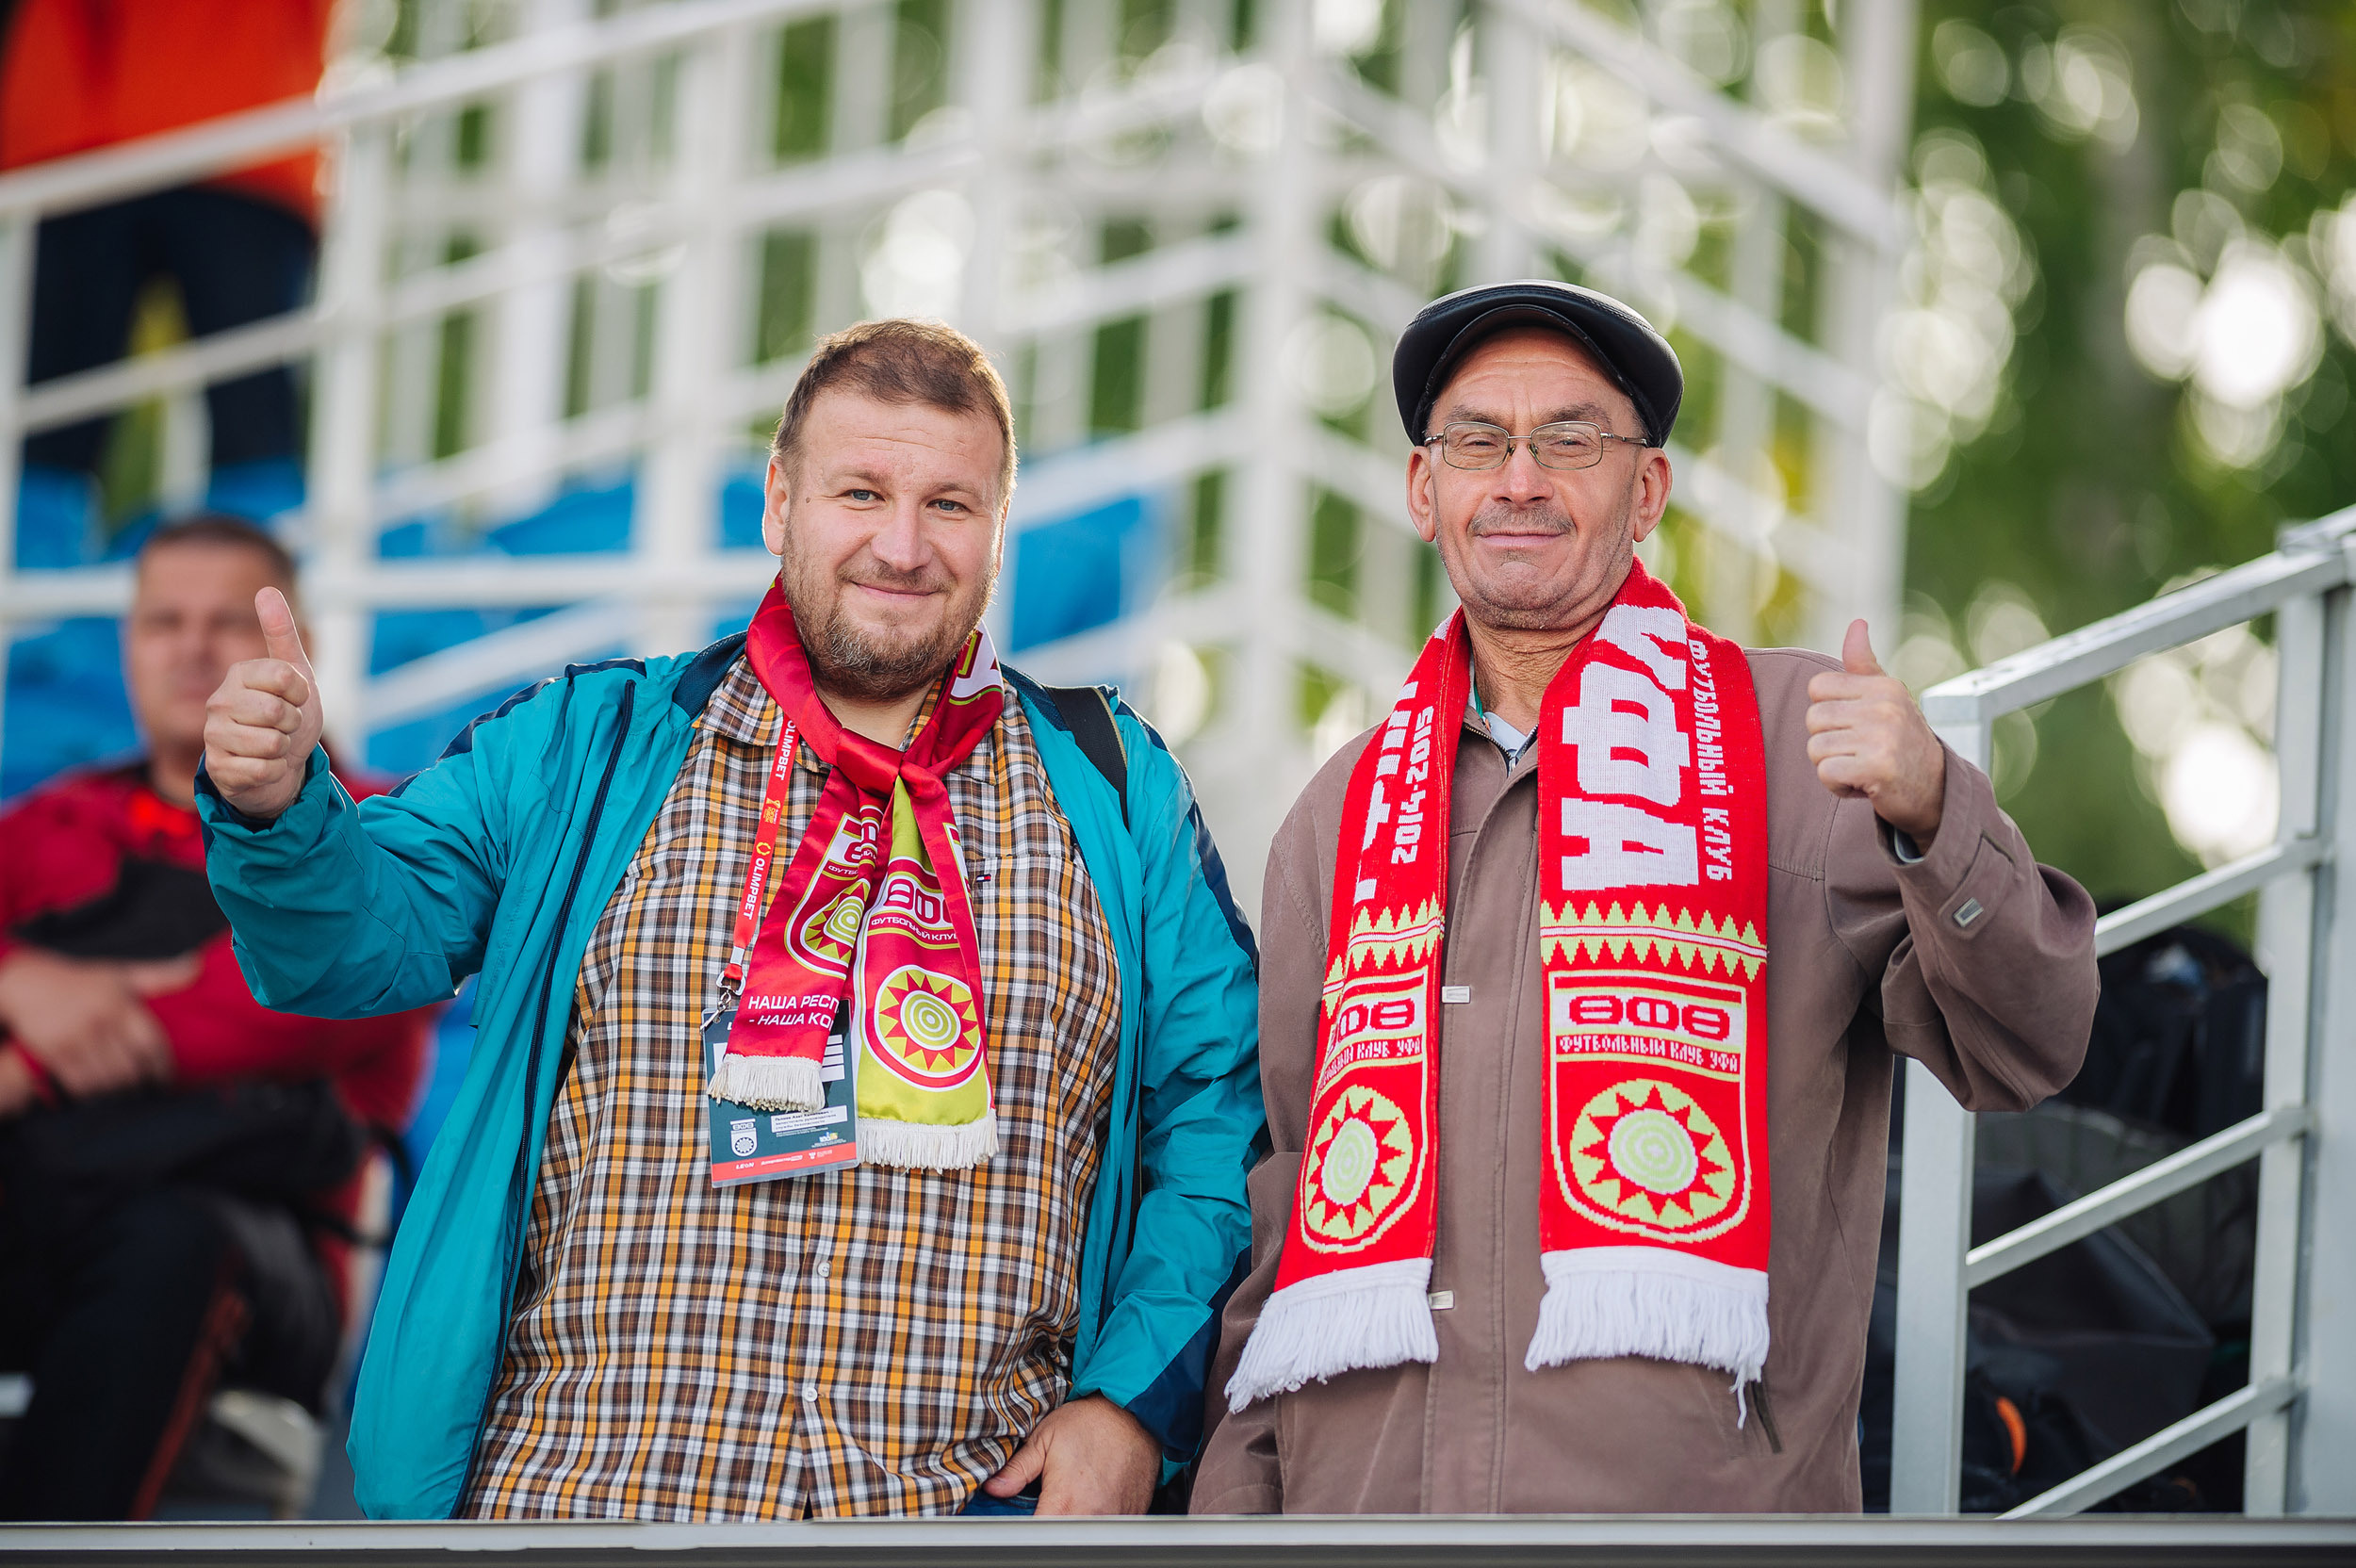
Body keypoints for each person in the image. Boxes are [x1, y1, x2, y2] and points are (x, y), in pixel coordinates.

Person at [196, 318, 1263, 1520]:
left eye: (950, 506)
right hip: (583, 1507)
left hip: (947, 1522)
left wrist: (1129, 1402)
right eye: (860, 491)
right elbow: (350, 944)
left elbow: (1220, 1114)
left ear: (1000, 529)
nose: (901, 546)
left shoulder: (1117, 785)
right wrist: (279, 803)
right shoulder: (586, 742)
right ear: (778, 502)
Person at [1194, 281, 2098, 1513]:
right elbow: (1290, 1212)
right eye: (1477, 441)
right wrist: (1236, 1522)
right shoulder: (1341, 817)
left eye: (1571, 438)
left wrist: (1937, 811)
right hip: (1366, 1520)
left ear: (1649, 491)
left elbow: (2031, 1043)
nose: (1519, 479)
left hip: (1685, 1520)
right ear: (1423, 493)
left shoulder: (1795, 750)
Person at [0, 516, 430, 1522]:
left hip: (253, 1246)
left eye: (227, 620)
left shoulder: (376, 828)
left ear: (299, 645)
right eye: (163, 621)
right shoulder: (50, 825)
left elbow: (269, 1013)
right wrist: (20, 978)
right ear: (126, 647)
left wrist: (27, 1063)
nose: (191, 648)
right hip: (40, 1208)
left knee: (170, 1239)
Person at [4, 0, 333, 521]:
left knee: (251, 415)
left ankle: (259, 580)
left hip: (238, 139)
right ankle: (34, 578)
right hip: (76, 144)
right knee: (51, 422)